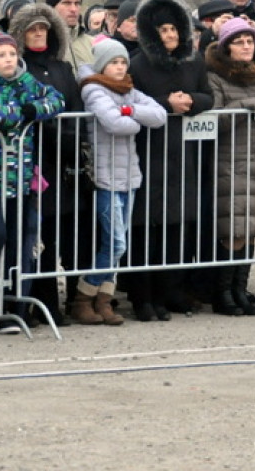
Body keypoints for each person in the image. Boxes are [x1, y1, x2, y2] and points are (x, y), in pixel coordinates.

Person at [0, 29, 65, 332]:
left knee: (19, 242)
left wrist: (35, 110)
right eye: (0, 55)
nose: (7, 60)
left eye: (11, 54)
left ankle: (5, 307)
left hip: (19, 177)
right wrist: (16, 115)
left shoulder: (26, 81)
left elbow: (56, 100)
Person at [127, 0, 214, 321]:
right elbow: (133, 103)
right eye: (164, 30)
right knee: (146, 230)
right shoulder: (138, 64)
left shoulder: (194, 61)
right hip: (150, 153)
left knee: (177, 230)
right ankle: (143, 297)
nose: (171, 35)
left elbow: (210, 96)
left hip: (184, 158)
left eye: (175, 29)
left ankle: (168, 293)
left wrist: (190, 100)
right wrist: (165, 103)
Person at [73, 38, 166, 325]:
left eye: (123, 62)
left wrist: (129, 111)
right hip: (106, 177)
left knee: (117, 242)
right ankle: (83, 296)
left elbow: (160, 115)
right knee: (115, 244)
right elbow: (114, 124)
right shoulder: (94, 90)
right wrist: (134, 119)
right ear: (102, 64)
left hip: (130, 176)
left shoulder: (128, 91)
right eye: (114, 62)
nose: (119, 67)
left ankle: (104, 299)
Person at [11, 2, 85, 327]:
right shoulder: (17, 69)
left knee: (53, 236)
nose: (39, 34)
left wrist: (69, 142)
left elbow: (75, 111)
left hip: (59, 162)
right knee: (29, 237)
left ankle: (51, 304)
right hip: (27, 161)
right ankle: (25, 304)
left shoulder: (63, 70)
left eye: (43, 28)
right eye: (32, 29)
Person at [205, 17, 255, 316]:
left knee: (251, 229)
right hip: (231, 159)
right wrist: (249, 104)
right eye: (239, 41)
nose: (246, 46)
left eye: (250, 41)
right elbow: (215, 118)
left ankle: (240, 287)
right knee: (233, 230)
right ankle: (222, 291)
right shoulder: (215, 76)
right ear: (226, 46)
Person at [45, 0, 93, 69]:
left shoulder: (93, 44)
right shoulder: (43, 43)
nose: (73, 9)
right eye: (67, 3)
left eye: (77, 3)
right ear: (51, 7)